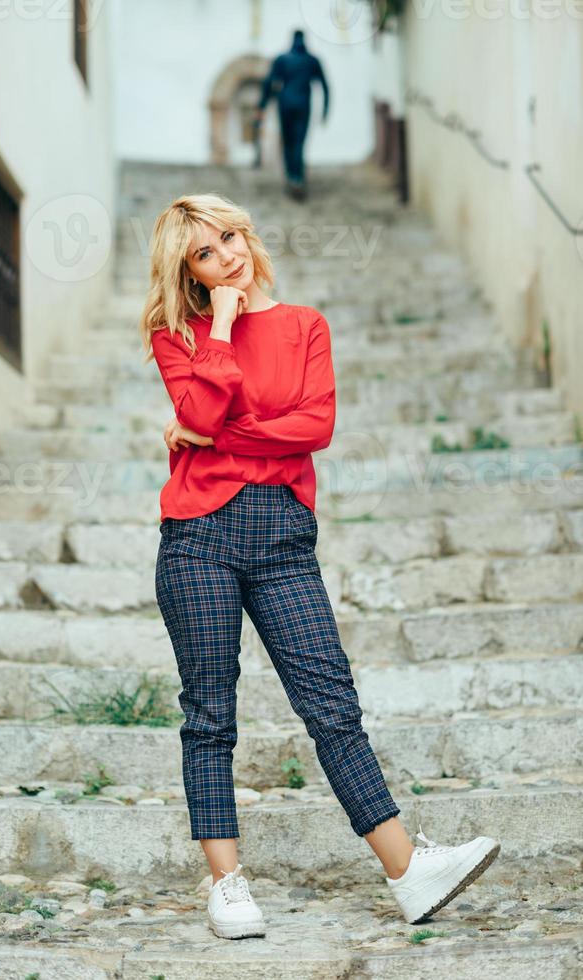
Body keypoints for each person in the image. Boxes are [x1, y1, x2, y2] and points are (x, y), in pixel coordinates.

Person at [140, 193, 501, 940]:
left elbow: (316, 427)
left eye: (230, 236)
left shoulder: (306, 325)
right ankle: (228, 886)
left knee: (332, 704)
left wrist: (215, 434)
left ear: (248, 232)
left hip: (282, 541)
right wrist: (227, 328)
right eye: (205, 253)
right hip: (197, 537)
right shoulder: (178, 335)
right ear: (190, 271)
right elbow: (204, 417)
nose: (228, 255)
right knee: (210, 715)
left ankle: (408, 872)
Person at [256, 28, 329, 200]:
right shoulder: (312, 60)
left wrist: (262, 106)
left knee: (289, 142)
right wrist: (325, 109)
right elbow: (325, 86)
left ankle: (292, 177)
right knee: (298, 142)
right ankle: (297, 178)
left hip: (285, 104)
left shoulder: (282, 59)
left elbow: (269, 83)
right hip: (303, 105)